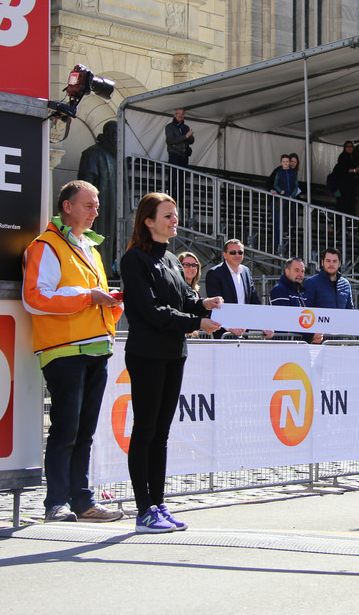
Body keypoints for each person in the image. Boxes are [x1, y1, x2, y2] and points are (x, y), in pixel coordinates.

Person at [21, 180, 125, 523]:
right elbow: (35, 298)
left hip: (96, 347)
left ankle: (83, 501)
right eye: (88, 205)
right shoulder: (45, 245)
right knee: (66, 430)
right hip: (63, 349)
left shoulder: (90, 248)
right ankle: (56, 503)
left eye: (97, 206)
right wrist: (89, 297)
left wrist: (111, 303)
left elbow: (88, 298)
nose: (96, 211)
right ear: (67, 207)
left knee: (84, 433)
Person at [120, 193, 223, 533]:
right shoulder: (134, 259)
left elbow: (185, 300)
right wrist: (196, 322)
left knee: (161, 433)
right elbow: (151, 311)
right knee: (145, 431)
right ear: (148, 221)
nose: (174, 220)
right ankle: (144, 509)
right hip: (146, 355)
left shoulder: (172, 260)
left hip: (173, 354)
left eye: (174, 215)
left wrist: (204, 303)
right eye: (167, 216)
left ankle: (158, 503)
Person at [204, 239, 273, 339]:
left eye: (240, 252)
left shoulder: (246, 271)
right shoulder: (215, 273)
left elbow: (254, 300)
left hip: (243, 331)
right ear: (225, 255)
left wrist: (264, 325)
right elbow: (216, 304)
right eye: (233, 252)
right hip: (224, 333)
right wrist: (230, 327)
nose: (237, 255)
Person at [76, 120, 118, 276]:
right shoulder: (92, 154)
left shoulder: (116, 157)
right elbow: (85, 184)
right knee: (97, 239)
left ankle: (109, 272)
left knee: (113, 240)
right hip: (98, 209)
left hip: (114, 207)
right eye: (116, 134)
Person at [269, 257, 322, 343]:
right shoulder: (279, 290)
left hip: (300, 345)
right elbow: (286, 318)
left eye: (302, 271)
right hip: (284, 345)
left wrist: (315, 335)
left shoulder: (301, 293)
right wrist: (311, 335)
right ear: (287, 271)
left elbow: (306, 319)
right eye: (297, 270)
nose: (300, 274)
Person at [269, 153, 300, 250]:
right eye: (291, 161)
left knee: (288, 224)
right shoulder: (279, 171)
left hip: (289, 200)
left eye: (295, 162)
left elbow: (296, 186)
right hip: (278, 200)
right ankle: (277, 247)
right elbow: (270, 183)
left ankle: (286, 248)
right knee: (279, 223)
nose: (292, 163)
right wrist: (274, 190)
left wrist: (294, 194)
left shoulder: (293, 173)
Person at [333, 140, 359, 215]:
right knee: (341, 204)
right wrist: (354, 170)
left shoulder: (354, 158)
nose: (349, 148)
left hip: (350, 186)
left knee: (350, 204)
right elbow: (343, 169)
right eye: (347, 146)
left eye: (350, 146)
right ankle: (339, 220)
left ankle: (347, 220)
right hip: (341, 186)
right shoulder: (342, 157)